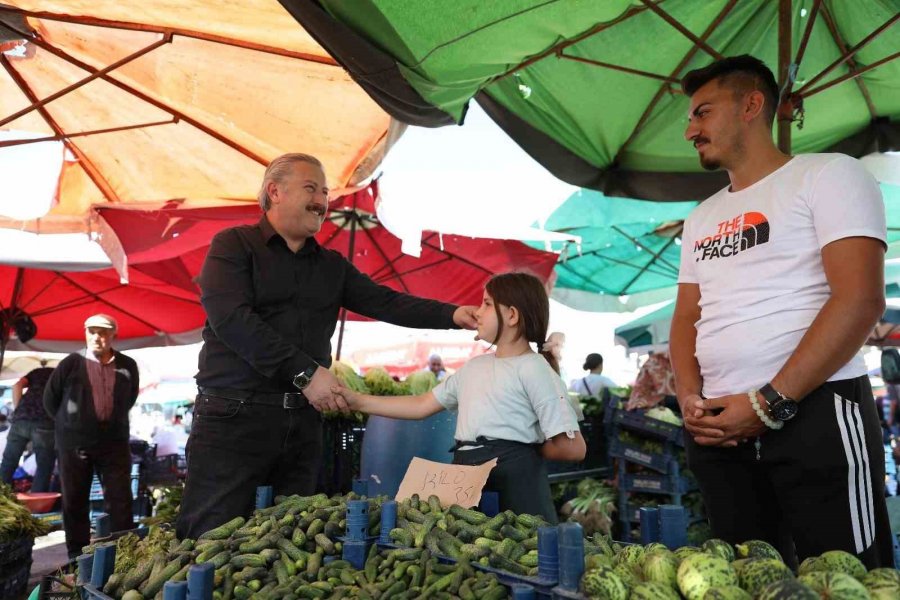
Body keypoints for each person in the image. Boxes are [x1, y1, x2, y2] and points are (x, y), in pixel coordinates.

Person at [177, 153, 478, 540]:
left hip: (303, 423)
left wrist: (456, 315)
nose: (322, 200)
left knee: (293, 539)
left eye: (325, 192)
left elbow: (387, 302)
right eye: (311, 188)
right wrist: (305, 373)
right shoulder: (233, 246)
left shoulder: (331, 266)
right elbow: (232, 320)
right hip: (234, 417)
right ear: (275, 191)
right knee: (209, 537)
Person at [670, 55, 892, 568]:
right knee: (750, 579)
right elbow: (686, 318)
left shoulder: (832, 174)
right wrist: (688, 396)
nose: (689, 131)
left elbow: (859, 298)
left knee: (848, 577)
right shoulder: (700, 217)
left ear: (751, 105)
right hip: (718, 428)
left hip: (817, 412)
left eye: (702, 113)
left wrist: (770, 403)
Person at [334, 272, 585, 522]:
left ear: (512, 315)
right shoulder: (474, 367)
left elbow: (573, 447)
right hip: (466, 480)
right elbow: (421, 404)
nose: (477, 312)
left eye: (486, 303)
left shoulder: (535, 368)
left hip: (519, 488)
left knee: (525, 555)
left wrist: (522, 452)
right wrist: (358, 400)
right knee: (469, 555)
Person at [44, 314, 139, 558]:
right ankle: (77, 554)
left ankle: (124, 551)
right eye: (92, 331)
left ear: (113, 335)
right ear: (85, 333)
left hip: (114, 441)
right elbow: (50, 400)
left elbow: (130, 398)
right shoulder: (71, 363)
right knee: (75, 499)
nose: (98, 336)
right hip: (75, 444)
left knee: (120, 499)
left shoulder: (128, 365)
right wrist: (72, 425)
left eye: (104, 331)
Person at [0, 362, 56, 491]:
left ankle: (2, 500)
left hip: (21, 420)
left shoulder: (36, 372)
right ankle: (37, 505)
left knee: (9, 462)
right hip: (45, 422)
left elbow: (17, 385)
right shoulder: (62, 375)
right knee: (44, 466)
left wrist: (19, 409)